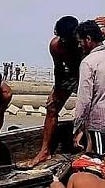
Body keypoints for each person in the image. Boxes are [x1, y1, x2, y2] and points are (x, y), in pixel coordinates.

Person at [27, 17, 84, 168]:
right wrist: (56, 91)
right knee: (51, 107)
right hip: (68, 75)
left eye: (67, 38)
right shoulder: (55, 45)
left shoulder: (84, 41)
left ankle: (84, 139)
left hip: (87, 75)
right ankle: (44, 151)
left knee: (90, 108)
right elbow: (58, 69)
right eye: (62, 38)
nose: (64, 41)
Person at [73, 20, 105, 180]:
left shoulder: (88, 62)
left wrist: (77, 128)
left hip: (101, 123)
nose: (79, 46)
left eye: (80, 42)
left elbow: (84, 100)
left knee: (101, 165)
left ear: (88, 39)